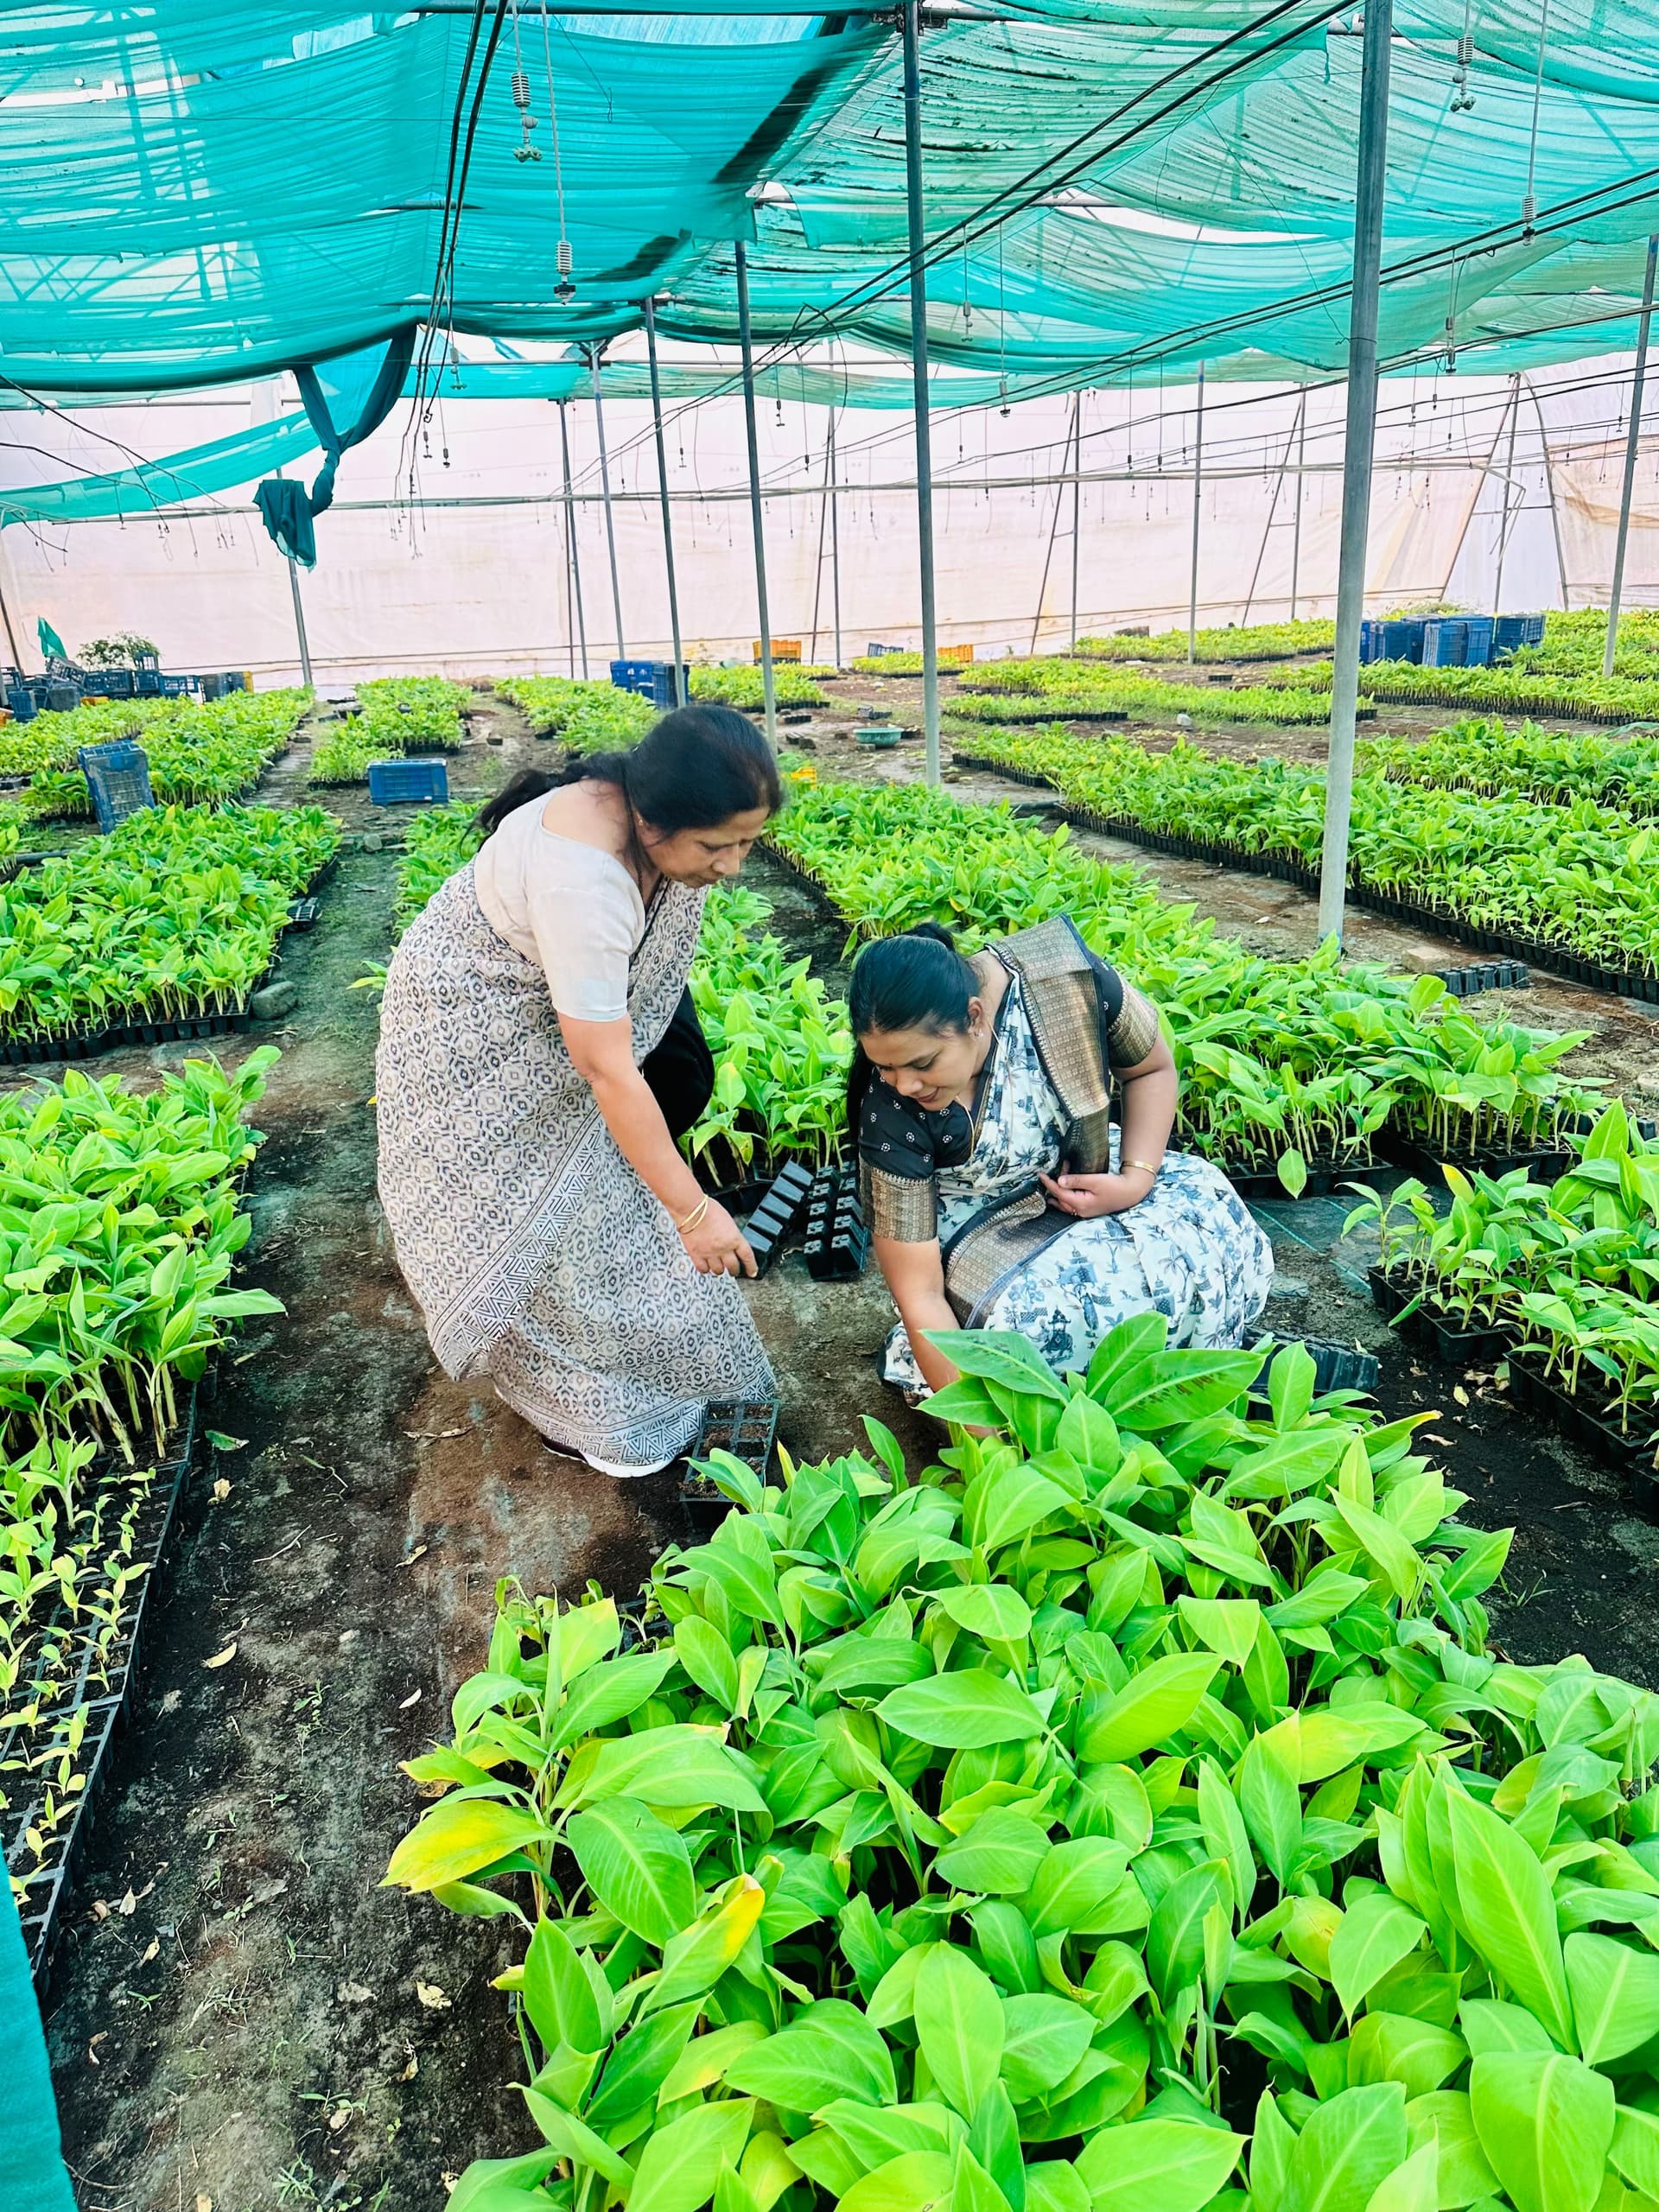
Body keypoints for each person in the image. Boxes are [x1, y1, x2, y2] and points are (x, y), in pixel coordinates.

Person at [376, 705, 779, 1476]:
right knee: (537, 1209)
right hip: (474, 1023)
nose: (732, 867)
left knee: (667, 1098)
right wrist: (693, 1213)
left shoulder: (638, 814)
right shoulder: (584, 882)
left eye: (748, 843)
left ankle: (625, 1329)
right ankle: (581, 1394)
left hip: (549, 993)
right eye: (716, 845)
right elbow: (605, 1070)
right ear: (654, 821)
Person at [849, 915, 1273, 1398]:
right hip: (981, 1235)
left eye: (923, 1064)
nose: (905, 1084)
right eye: (885, 1066)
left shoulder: (1065, 983)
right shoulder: (891, 1111)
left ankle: (1185, 1369)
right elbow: (919, 1294)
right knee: (1028, 1327)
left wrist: (1134, 1180)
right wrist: (983, 1447)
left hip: (1088, 1178)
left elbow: (1152, 1069)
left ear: (974, 1017)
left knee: (1207, 1226)